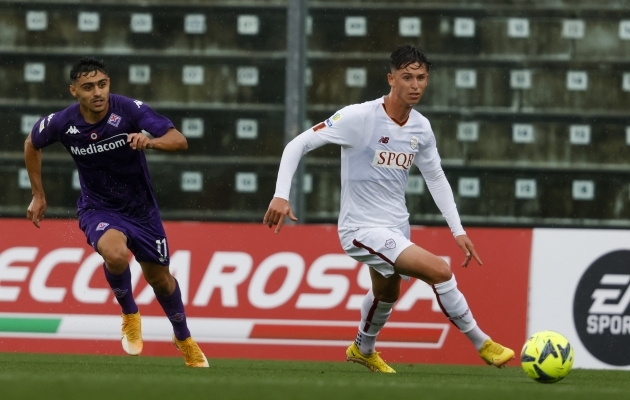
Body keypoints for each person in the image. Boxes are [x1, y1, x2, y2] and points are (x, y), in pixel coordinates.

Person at [263, 45, 514, 373]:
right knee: (439, 270)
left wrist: (458, 230)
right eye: (407, 77)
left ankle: (362, 348)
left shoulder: (420, 128)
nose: (415, 85)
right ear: (390, 79)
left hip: (396, 226)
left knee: (387, 292)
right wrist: (281, 194)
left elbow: (435, 177)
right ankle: (483, 343)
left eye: (421, 78)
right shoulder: (358, 117)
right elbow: (298, 144)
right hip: (360, 228)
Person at [24, 57, 208, 367]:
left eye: (102, 84)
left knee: (160, 281)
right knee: (116, 254)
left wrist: (150, 142)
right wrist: (38, 195)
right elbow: (32, 143)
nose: (97, 92)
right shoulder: (63, 123)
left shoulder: (128, 110)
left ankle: (183, 336)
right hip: (98, 208)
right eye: (88, 87)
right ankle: (129, 313)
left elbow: (179, 140)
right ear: (74, 91)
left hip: (142, 212)